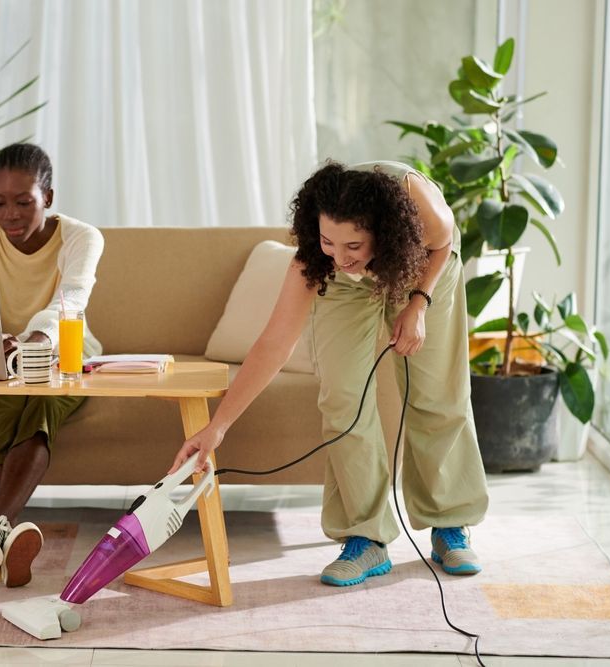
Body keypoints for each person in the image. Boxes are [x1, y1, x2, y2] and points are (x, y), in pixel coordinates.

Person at [170, 160, 489, 587]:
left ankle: (450, 523)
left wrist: (418, 304)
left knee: (435, 393)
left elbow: (443, 241)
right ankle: (366, 536)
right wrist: (217, 427)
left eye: (353, 246)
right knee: (344, 398)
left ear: (381, 232)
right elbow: (273, 346)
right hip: (348, 292)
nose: (340, 256)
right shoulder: (321, 261)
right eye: (328, 241)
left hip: (423, 265)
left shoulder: (417, 204)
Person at [0, 143, 103, 587]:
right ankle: (3, 533)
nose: (10, 215)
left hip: (66, 350)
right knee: (1, 414)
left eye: (23, 202)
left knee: (40, 408)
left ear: (48, 197)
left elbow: (71, 299)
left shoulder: (81, 237)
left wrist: (33, 343)